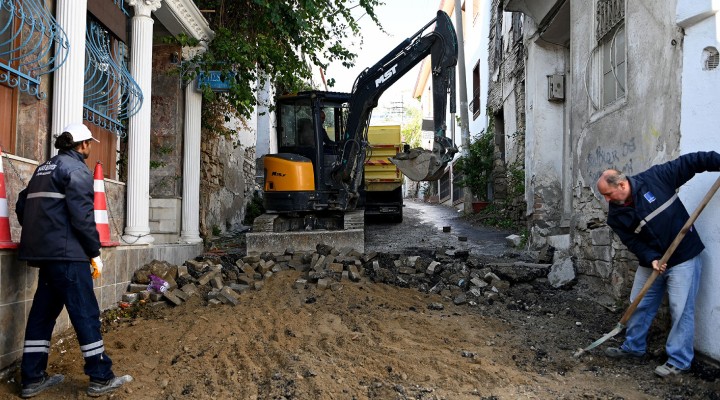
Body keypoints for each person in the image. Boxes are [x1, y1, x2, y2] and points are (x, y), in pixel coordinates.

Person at [15, 123, 132, 398]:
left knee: (42, 317)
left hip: (46, 256)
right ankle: (100, 377)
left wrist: (43, 233)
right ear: (82, 145)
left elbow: (23, 205)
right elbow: (82, 217)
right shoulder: (77, 170)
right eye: (89, 143)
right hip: (69, 256)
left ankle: (32, 378)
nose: (90, 147)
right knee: (85, 313)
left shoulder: (43, 168)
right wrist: (94, 252)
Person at [596, 151, 720, 378]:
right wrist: (651, 257)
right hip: (652, 261)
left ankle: (679, 361)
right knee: (639, 302)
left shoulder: (656, 178)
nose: (606, 200)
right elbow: (631, 241)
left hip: (683, 256)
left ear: (622, 185)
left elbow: (692, 162)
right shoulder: (616, 215)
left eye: (608, 194)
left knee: (680, 309)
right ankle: (633, 348)